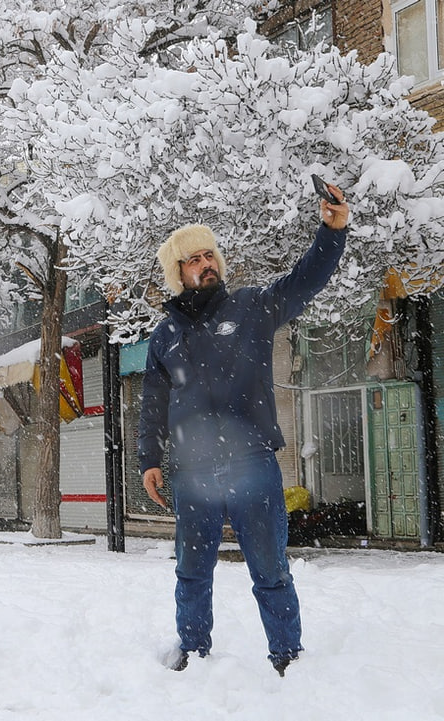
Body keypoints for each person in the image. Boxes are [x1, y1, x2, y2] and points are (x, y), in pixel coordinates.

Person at [138, 182, 349, 676]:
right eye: (193, 259)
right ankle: (192, 650)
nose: (205, 263)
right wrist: (149, 459)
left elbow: (304, 281)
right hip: (192, 472)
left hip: (253, 463)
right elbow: (152, 403)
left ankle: (287, 656)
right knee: (191, 570)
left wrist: (332, 231)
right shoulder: (164, 335)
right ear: (178, 272)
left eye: (209, 254)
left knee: (270, 569)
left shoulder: (252, 307)